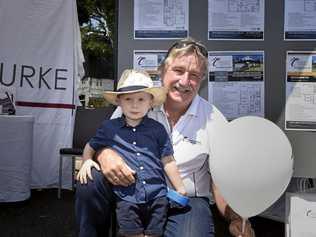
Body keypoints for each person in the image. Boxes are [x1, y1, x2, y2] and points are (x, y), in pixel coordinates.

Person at [75, 37, 255, 237]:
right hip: (132, 194)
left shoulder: (213, 119)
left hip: (185, 199)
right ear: (162, 72)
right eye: (178, 71)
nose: (185, 81)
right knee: (90, 181)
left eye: (194, 75)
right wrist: (104, 154)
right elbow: (106, 138)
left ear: (202, 80)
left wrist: (236, 218)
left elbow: (221, 179)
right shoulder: (135, 100)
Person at [77, 69, 186, 237]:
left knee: (154, 233)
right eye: (128, 99)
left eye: (141, 99)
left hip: (157, 195)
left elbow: (168, 160)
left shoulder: (157, 129)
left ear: (151, 102)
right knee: (131, 233)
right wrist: (87, 161)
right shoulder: (109, 127)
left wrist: (179, 187)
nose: (135, 105)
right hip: (126, 197)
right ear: (119, 101)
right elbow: (91, 145)